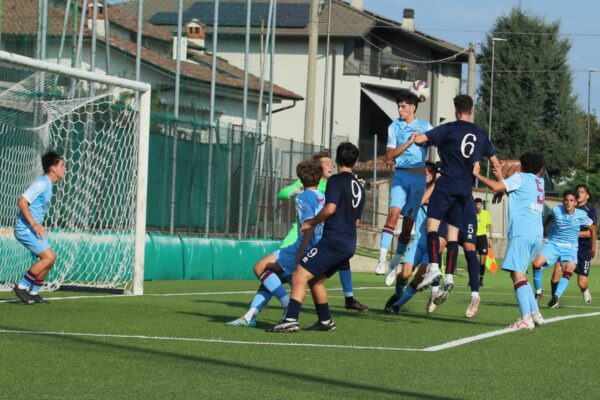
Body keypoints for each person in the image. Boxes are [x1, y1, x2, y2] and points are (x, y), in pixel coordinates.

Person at [269, 142, 365, 332]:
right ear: (356, 161)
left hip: (333, 241)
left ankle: (290, 319)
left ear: (337, 159)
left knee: (299, 274)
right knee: (314, 279)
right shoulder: (359, 187)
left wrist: (311, 222)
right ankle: (326, 320)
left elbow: (329, 209)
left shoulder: (336, 181)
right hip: (349, 244)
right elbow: (357, 222)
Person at [412, 95, 502, 295]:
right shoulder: (480, 134)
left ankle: (434, 268)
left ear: (455, 109)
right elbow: (496, 163)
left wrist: (416, 137)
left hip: (446, 184)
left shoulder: (449, 128)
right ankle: (450, 276)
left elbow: (421, 140)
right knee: (452, 234)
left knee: (432, 226)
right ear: (472, 110)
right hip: (465, 189)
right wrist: (500, 180)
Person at [226, 159, 324, 327]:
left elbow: (308, 226)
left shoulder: (303, 197)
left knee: (260, 267)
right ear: (320, 177)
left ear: (300, 177)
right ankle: (250, 316)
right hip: (316, 247)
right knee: (272, 276)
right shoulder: (323, 196)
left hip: (302, 246)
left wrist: (301, 251)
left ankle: (288, 305)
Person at [473, 152, 545, 329]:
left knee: (517, 273)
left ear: (523, 165)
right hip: (536, 234)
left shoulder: (520, 177)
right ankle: (536, 313)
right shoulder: (539, 182)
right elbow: (517, 192)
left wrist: (476, 174)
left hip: (522, 232)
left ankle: (525, 318)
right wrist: (503, 180)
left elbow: (498, 187)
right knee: (519, 272)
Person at [375, 92, 432, 277]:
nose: (399, 109)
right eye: (398, 106)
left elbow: (436, 140)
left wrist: (425, 141)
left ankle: (395, 261)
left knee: (408, 227)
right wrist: (408, 143)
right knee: (393, 214)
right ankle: (382, 259)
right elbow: (389, 156)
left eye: (403, 106)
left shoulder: (425, 126)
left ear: (413, 107)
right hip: (400, 176)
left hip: (418, 179)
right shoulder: (394, 127)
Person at [13, 150, 67, 304]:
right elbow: (22, 202)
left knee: (51, 259)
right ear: (53, 168)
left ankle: (34, 292)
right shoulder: (42, 183)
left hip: (32, 228)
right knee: (47, 257)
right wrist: (34, 224)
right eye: (62, 165)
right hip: (25, 228)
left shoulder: (48, 185)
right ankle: (21, 287)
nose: (65, 169)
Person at [533, 190, 593, 309]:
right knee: (536, 263)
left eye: (571, 201)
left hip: (570, 248)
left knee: (570, 269)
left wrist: (594, 247)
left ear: (575, 202)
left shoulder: (581, 214)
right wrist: (544, 228)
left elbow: (593, 229)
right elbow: (549, 218)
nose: (568, 203)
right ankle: (539, 293)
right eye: (566, 200)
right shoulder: (556, 210)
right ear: (563, 201)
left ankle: (556, 296)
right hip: (553, 244)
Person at [550, 184, 597, 304]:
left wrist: (592, 248)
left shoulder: (590, 211)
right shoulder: (565, 208)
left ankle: (584, 289)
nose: (580, 193)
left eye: (582, 192)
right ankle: (555, 299)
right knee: (557, 270)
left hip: (583, 249)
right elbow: (552, 217)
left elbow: (590, 232)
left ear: (587, 196)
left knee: (582, 282)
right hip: (567, 247)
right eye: (578, 191)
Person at [475, 198, 493, 286]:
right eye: (476, 204)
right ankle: (473, 279)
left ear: (481, 205)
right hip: (473, 238)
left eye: (479, 204)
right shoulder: (471, 214)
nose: (477, 206)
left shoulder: (486, 214)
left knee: (482, 260)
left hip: (482, 238)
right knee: (473, 260)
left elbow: (490, 226)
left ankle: (481, 280)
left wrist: (490, 238)